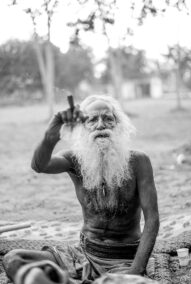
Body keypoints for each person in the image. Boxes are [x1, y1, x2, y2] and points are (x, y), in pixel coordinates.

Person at [3, 95, 159, 284]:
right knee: (13, 259)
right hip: (81, 254)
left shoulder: (139, 161)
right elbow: (39, 165)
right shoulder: (75, 160)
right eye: (92, 119)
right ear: (83, 128)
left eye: (108, 118)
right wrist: (51, 134)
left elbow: (152, 220)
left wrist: (135, 272)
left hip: (124, 259)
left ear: (118, 125)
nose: (101, 125)